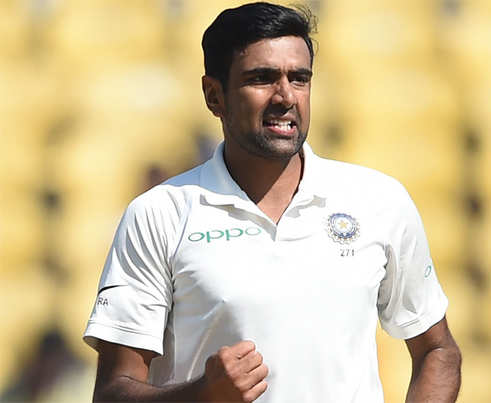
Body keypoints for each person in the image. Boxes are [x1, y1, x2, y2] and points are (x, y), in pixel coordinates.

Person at [84, 2, 462, 402]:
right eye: (261, 79)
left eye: (299, 78)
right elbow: (112, 393)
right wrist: (202, 395)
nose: (285, 96)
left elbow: (438, 351)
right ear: (214, 96)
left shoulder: (378, 200)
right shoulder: (158, 214)